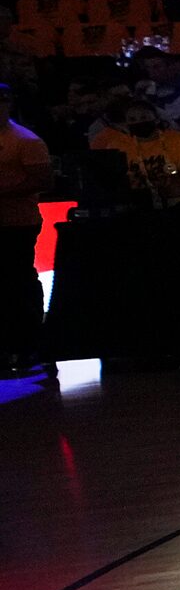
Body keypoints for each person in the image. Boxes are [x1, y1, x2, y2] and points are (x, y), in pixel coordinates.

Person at [0, 83, 51, 377]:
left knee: (18, 282)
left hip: (18, 222)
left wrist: (4, 192)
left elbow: (42, 181)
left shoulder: (25, 140)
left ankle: (28, 344)